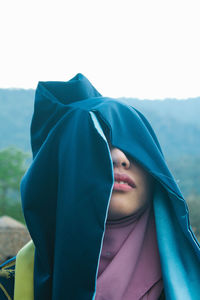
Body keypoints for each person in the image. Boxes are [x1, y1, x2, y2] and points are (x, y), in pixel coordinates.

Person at [0, 73, 200, 300]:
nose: (119, 158)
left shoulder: (189, 283)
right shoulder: (11, 284)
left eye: (133, 146)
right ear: (62, 170)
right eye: (98, 145)